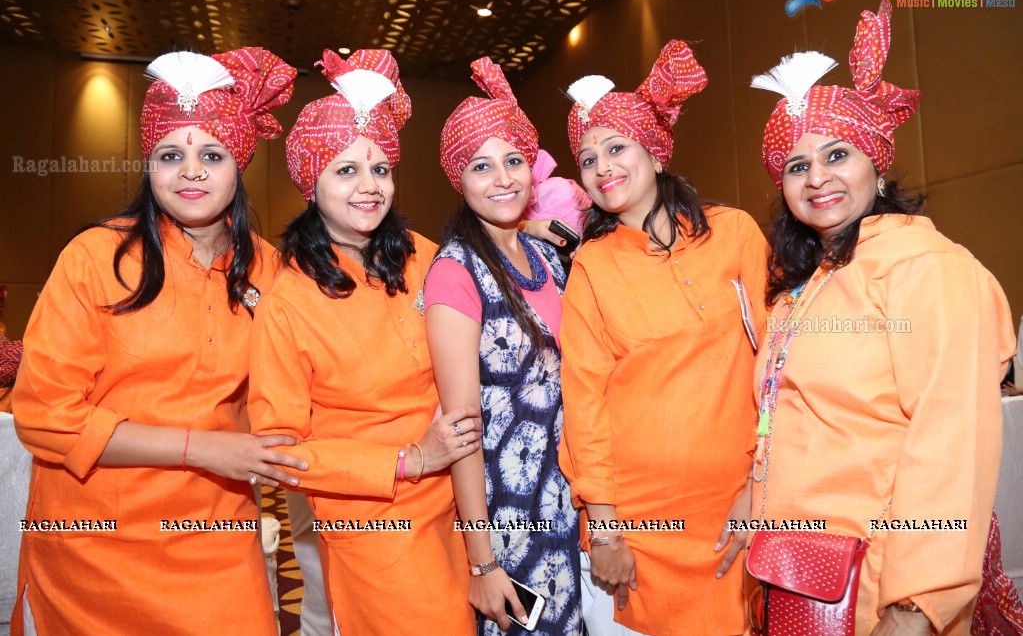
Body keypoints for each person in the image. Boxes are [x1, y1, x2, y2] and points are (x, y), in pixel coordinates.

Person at [11, 47, 301, 634]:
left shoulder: (270, 271)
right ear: (150, 166)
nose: (191, 171)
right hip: (93, 544)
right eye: (172, 155)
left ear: (239, 165)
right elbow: (44, 415)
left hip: (216, 537)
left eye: (211, 155)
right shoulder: (96, 256)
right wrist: (204, 448)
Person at [749, 0, 1015, 634]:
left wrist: (914, 605)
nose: (817, 178)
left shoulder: (929, 269)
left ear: (876, 159)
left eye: (837, 155)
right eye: (797, 165)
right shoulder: (805, 287)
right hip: (798, 574)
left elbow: (951, 445)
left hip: (880, 586)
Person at [246, 48, 479, 635]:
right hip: (375, 520)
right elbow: (279, 449)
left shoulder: (426, 256)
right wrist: (407, 459)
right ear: (310, 182)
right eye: (345, 171)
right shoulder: (288, 301)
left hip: (466, 501)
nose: (368, 187)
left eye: (379, 169)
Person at [559, 40, 769, 636]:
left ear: (654, 151)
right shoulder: (593, 265)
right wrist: (604, 529)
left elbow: (779, 371)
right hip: (637, 526)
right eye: (586, 158)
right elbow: (586, 403)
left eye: (616, 147)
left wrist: (760, 487)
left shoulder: (734, 235)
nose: (602, 167)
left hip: (735, 508)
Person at [425, 56, 583, 635]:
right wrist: (481, 560)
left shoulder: (545, 257)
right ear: (458, 180)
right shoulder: (454, 271)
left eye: (513, 161)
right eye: (481, 167)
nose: (503, 179)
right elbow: (460, 427)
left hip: (565, 503)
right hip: (507, 519)